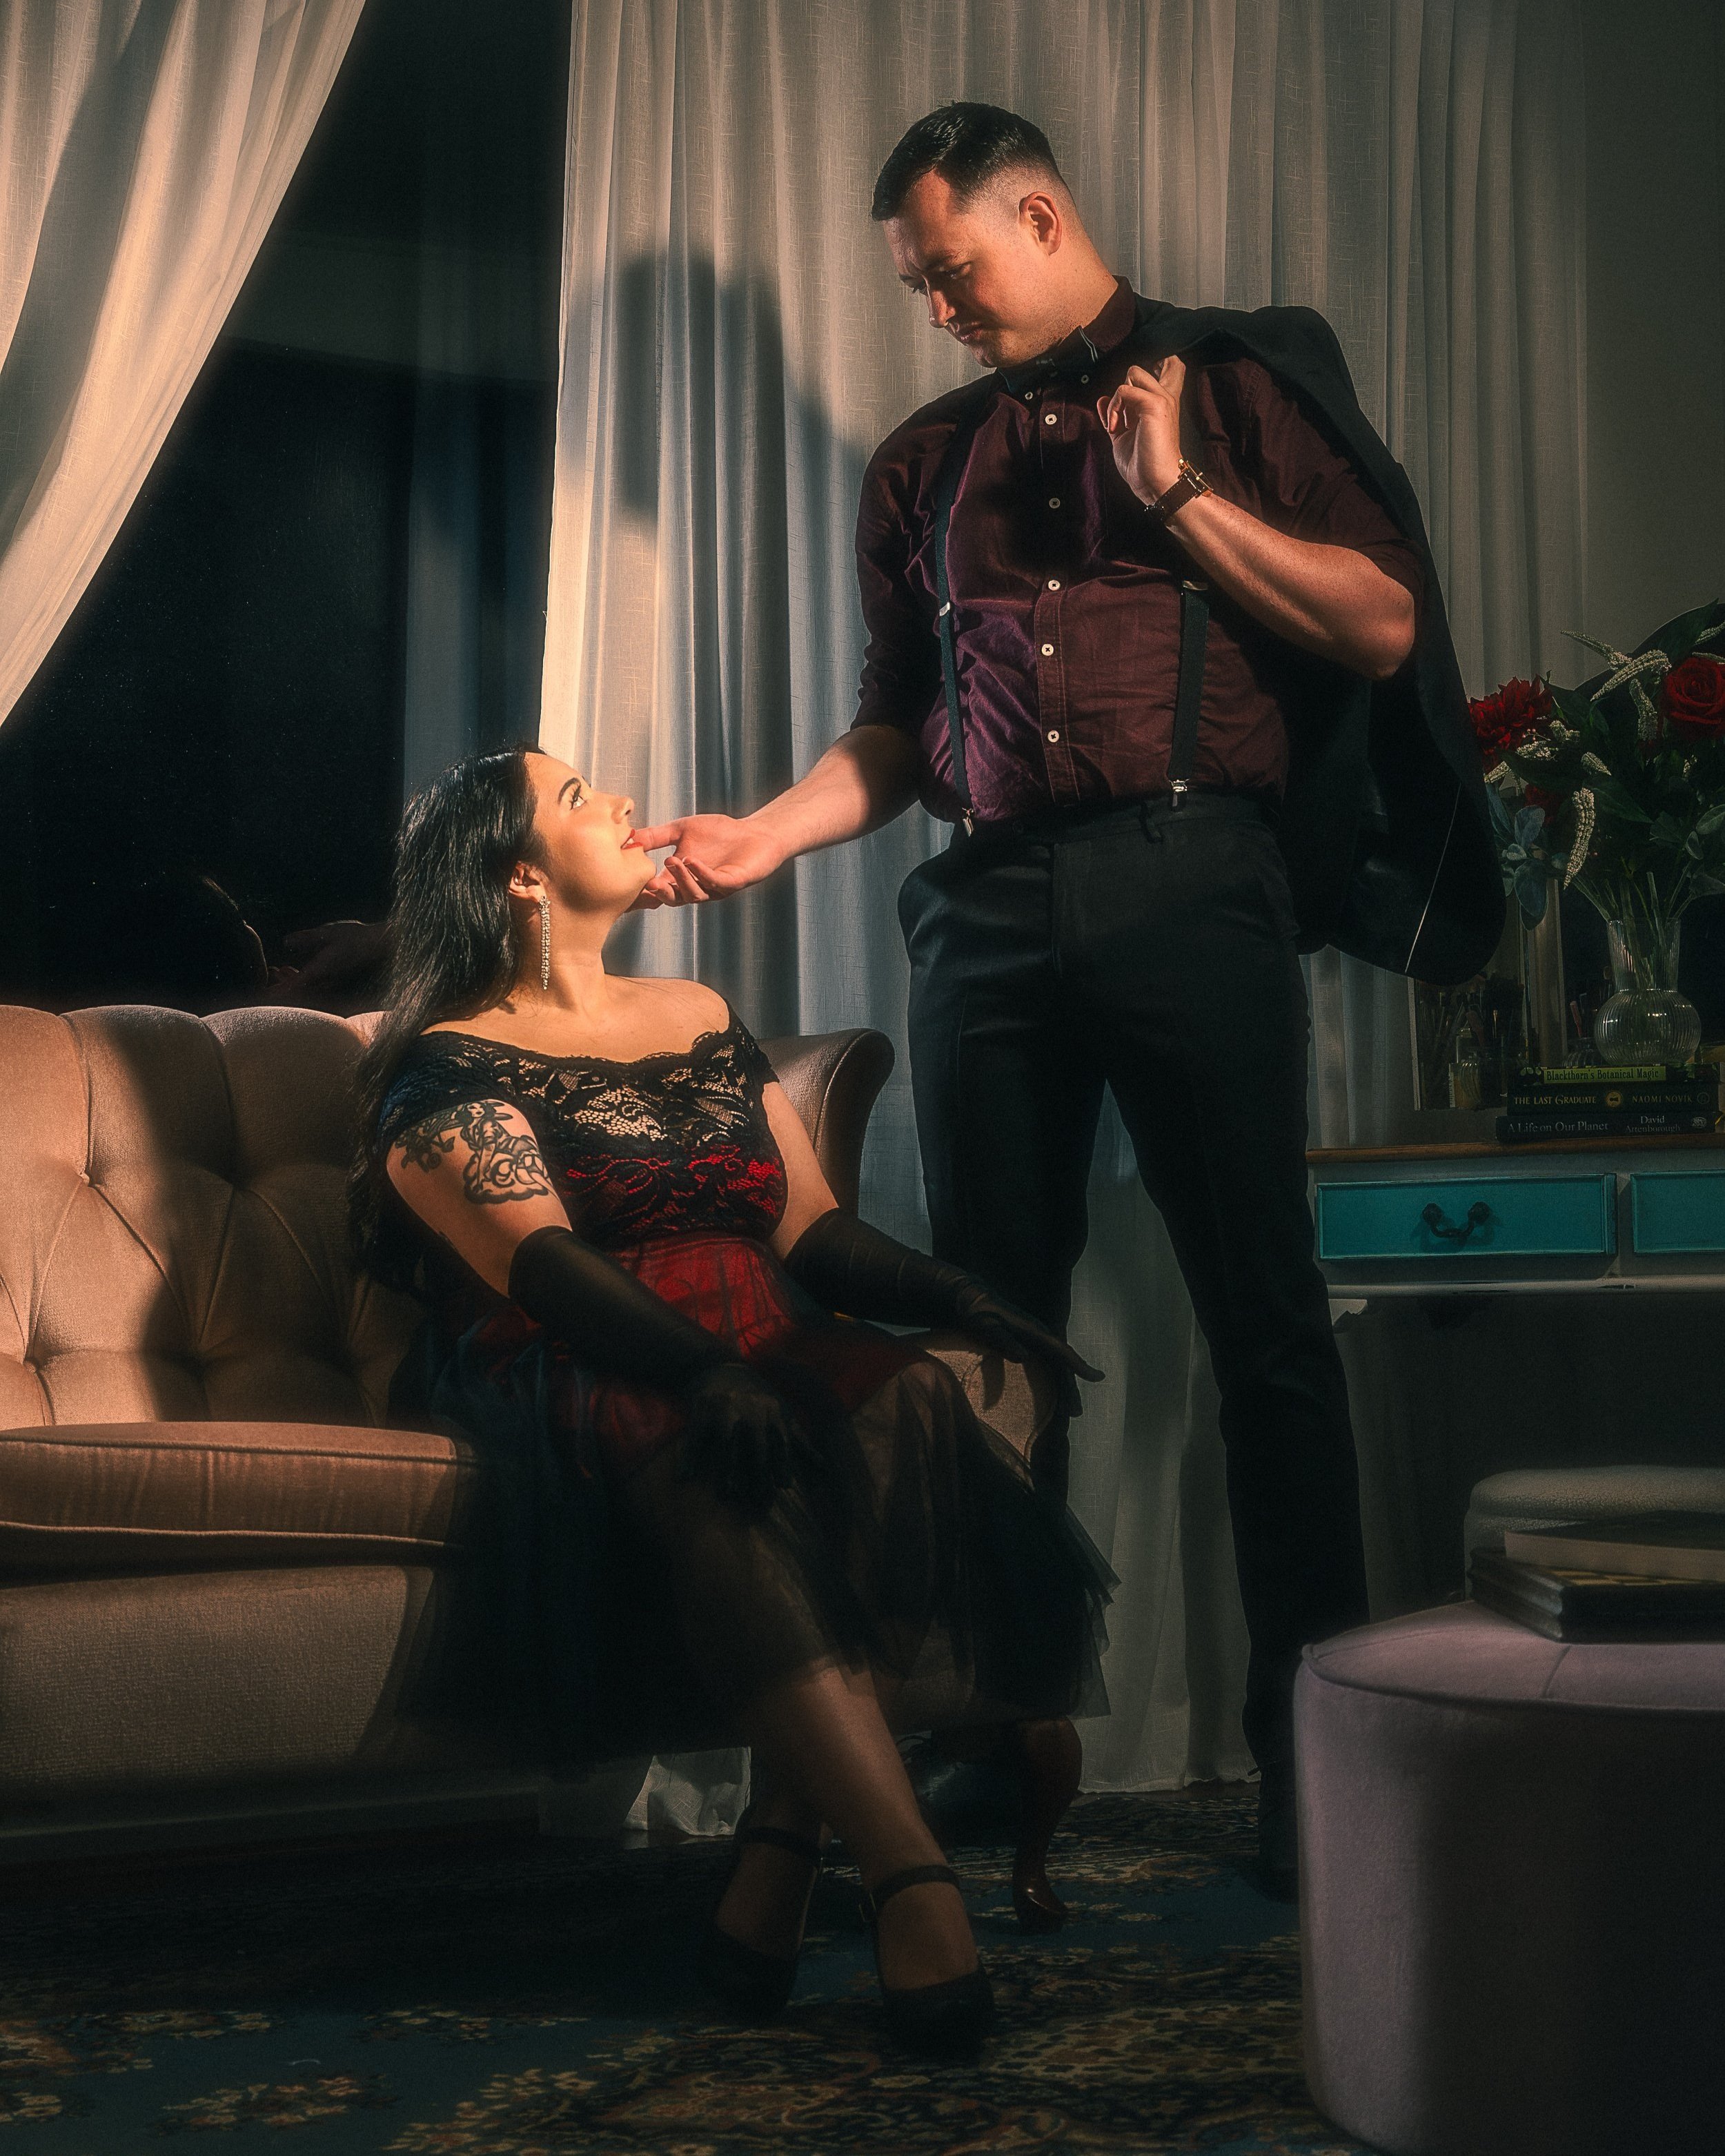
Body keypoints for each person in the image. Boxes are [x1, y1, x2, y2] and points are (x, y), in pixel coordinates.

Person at [624, 103, 1502, 1897]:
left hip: (1194, 876)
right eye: (916, 285)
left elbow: (1378, 626)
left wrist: (1175, 492)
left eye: (950, 269)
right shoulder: (919, 462)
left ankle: (1307, 1762)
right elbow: (894, 726)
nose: (937, 307)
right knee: (989, 1339)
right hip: (985, 906)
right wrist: (762, 834)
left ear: (1037, 215)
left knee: (1264, 1329)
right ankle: (989, 1731)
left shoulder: (1234, 380)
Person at [352, 743, 1111, 2057]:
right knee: (715, 1451)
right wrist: (704, 1373)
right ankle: (910, 1875)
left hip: (759, 1324)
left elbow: (808, 1227)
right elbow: (544, 1264)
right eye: (576, 797)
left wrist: (958, 1295)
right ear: (520, 878)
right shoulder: (444, 1063)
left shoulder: (698, 1009)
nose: (622, 802)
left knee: (909, 1401)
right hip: (573, 1352)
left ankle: (781, 1837)